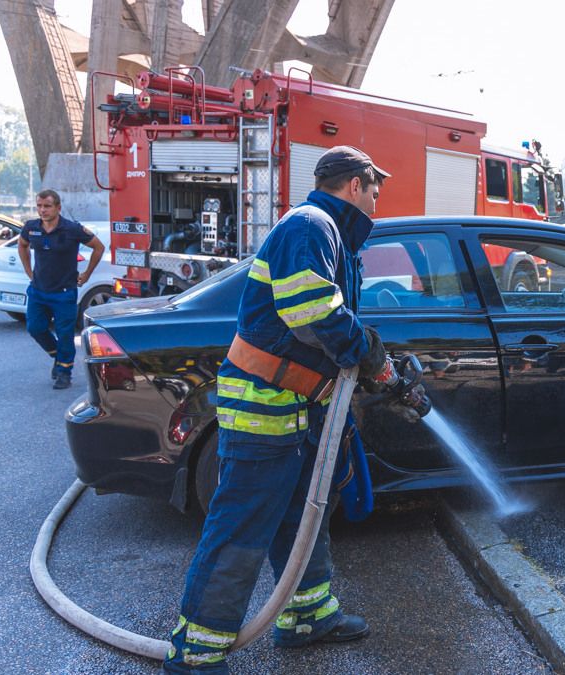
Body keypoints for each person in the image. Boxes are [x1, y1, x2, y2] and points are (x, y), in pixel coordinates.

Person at [163, 146, 394, 673]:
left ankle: (307, 616)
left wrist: (367, 357)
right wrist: (369, 354)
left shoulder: (330, 234)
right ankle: (195, 651)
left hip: (298, 410)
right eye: (374, 189)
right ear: (356, 183)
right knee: (242, 527)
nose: (377, 202)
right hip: (264, 410)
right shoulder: (311, 226)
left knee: (304, 516)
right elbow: (312, 313)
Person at [17, 189, 104, 390]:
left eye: (47, 206)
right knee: (35, 328)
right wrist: (29, 271)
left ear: (58, 207)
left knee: (65, 333)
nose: (42, 210)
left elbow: (99, 248)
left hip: (64, 292)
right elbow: (22, 245)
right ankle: (59, 356)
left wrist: (87, 274)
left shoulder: (72, 229)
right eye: (39, 206)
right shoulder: (31, 228)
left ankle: (64, 372)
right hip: (38, 291)